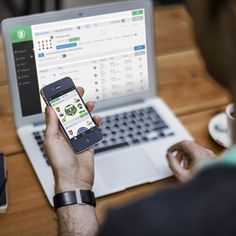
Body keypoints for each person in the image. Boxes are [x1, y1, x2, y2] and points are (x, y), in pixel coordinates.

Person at [44, 0, 236, 235]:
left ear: (227, 17)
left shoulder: (140, 224)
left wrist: (73, 184)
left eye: (191, 10)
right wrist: (212, 176)